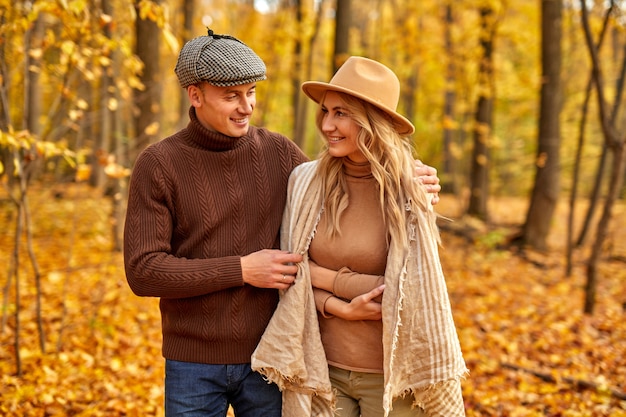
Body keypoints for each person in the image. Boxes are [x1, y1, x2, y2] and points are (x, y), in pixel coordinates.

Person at [124, 29, 441, 417]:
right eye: (231, 96)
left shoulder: (280, 154)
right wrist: (241, 269)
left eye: (251, 92)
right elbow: (143, 272)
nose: (246, 107)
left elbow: (347, 174)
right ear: (195, 94)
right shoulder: (159, 163)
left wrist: (412, 173)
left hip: (271, 358)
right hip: (193, 362)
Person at [252, 56, 467, 417]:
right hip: (322, 371)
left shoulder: (408, 192)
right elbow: (293, 273)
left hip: (392, 377)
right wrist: (344, 307)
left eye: (342, 114)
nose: (328, 125)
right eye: (326, 111)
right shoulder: (306, 183)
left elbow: (405, 291)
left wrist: (325, 278)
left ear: (373, 121)